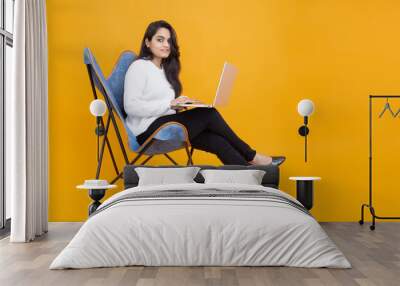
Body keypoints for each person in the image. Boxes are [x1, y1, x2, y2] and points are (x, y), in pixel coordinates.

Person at [123, 20, 273, 165]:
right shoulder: (139, 67)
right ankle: (252, 155)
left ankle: (252, 176)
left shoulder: (164, 71)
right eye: (160, 40)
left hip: (167, 125)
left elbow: (162, 104)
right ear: (148, 42)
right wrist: (168, 104)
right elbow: (131, 106)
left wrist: (179, 104)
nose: (166, 45)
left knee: (217, 142)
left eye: (169, 41)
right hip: (147, 132)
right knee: (209, 114)